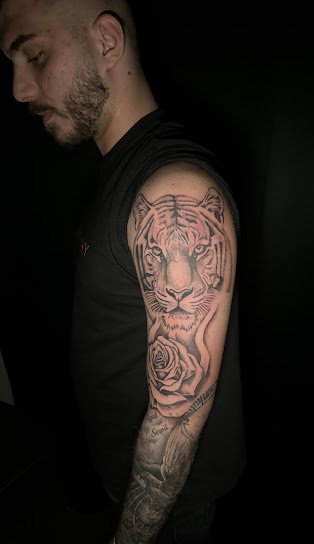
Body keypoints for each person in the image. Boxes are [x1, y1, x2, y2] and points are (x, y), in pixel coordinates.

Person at [0, 1, 246, 542]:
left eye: (34, 56)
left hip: (167, 505)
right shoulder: (123, 168)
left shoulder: (174, 186)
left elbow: (175, 420)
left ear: (107, 42)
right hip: (130, 479)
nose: (18, 89)